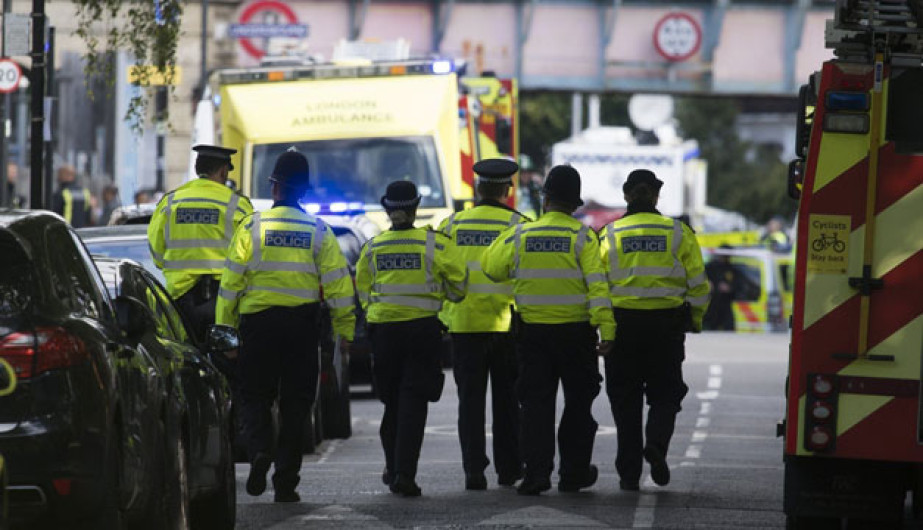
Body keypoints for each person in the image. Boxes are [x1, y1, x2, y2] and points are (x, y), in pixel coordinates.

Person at [215, 150, 356, 503]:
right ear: (303, 192)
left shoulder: (252, 227)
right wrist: (345, 332)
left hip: (258, 327)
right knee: (297, 405)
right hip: (301, 328)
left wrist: (225, 332)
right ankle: (286, 481)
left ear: (274, 187)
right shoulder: (318, 231)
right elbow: (339, 287)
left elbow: (230, 285)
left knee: (253, 395)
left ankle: (260, 449)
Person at [481, 165, 614, 496]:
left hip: (533, 336)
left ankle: (536, 475)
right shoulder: (584, 237)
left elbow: (492, 268)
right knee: (578, 405)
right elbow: (598, 287)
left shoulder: (522, 234)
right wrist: (606, 329)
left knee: (536, 407)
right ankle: (573, 474)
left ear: (545, 199)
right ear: (575, 204)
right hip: (575, 336)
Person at [598, 169, 710, 491]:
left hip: (623, 327)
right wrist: (697, 319)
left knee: (625, 399)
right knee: (666, 394)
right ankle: (657, 445)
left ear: (626, 195)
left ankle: (628, 473)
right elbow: (699, 285)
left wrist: (602, 328)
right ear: (656, 196)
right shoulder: (678, 232)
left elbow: (597, 285)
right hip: (665, 326)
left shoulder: (608, 234)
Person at [355, 181, 468, 497]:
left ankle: (393, 468)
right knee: (413, 404)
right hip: (422, 333)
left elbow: (363, 292)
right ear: (416, 207)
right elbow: (460, 288)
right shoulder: (435, 245)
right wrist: (439, 298)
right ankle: (404, 473)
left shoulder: (373, 247)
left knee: (392, 403)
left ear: (388, 209)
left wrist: (376, 313)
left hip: (385, 335)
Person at [438, 158, 528, 490]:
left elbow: (442, 274)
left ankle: (474, 471)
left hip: (464, 326)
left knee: (470, 405)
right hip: (507, 326)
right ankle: (508, 469)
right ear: (508, 189)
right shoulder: (520, 226)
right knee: (507, 403)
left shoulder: (452, 226)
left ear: (478, 187)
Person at [148, 144, 254, 342]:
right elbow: (252, 255)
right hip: (224, 299)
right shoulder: (238, 205)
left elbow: (156, 251)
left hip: (179, 298)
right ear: (223, 171)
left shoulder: (170, 202)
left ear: (198, 169)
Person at [703, 246, 737, 331]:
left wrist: (730, 288)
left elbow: (738, 286)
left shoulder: (731, 269)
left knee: (728, 330)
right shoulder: (710, 267)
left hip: (725, 304)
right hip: (711, 304)